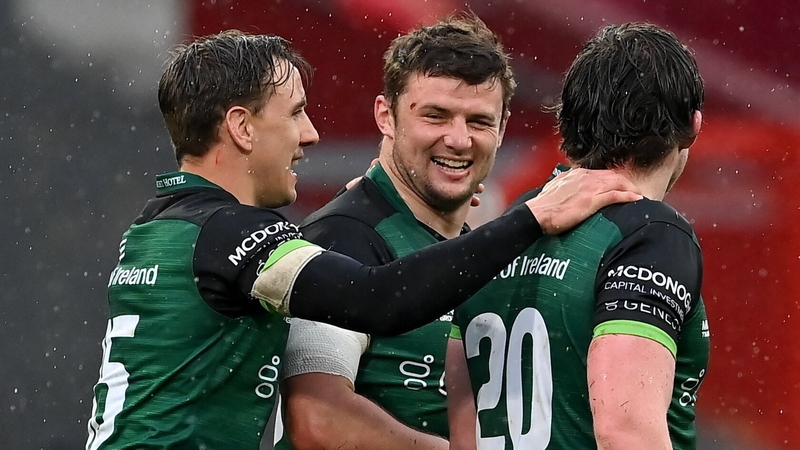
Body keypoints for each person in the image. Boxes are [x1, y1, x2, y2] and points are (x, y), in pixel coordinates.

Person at [83, 30, 642, 450]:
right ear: (242, 127)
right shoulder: (247, 232)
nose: (311, 134)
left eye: (478, 120)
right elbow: (372, 305)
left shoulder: (165, 226)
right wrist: (528, 220)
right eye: (296, 113)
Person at [447, 22, 709, 450]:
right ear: (694, 124)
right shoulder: (652, 234)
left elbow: (464, 427)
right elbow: (626, 432)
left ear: (569, 120)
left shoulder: (501, 231)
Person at [274, 14, 515, 450]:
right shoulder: (344, 237)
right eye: (436, 116)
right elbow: (317, 419)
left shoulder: (464, 244)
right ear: (386, 116)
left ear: (503, 128)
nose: (459, 140)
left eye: (479, 121)